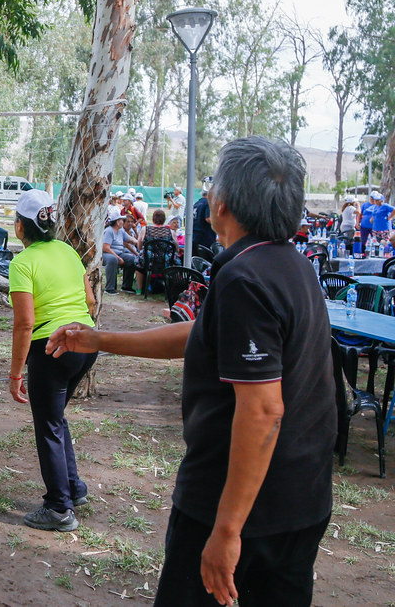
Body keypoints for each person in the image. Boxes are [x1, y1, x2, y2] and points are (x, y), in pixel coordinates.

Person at [48, 136, 335, 607]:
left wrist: (227, 529)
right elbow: (204, 336)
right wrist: (101, 339)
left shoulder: (245, 279)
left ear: (222, 204)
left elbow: (263, 411)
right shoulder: (292, 266)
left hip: (237, 507)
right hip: (301, 500)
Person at [7, 189, 96, 532]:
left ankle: (59, 508)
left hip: (51, 350)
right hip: (85, 342)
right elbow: (89, 300)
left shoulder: (22, 263)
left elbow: (24, 324)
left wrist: (16, 374)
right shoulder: (68, 251)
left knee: (48, 426)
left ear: (20, 227)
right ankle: (74, 488)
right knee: (55, 418)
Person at [136, 209, 176, 292]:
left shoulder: (145, 229)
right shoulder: (170, 232)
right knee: (177, 263)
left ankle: (139, 290)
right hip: (166, 262)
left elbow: (139, 243)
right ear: (164, 219)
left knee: (139, 265)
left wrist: (142, 251)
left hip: (149, 261)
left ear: (153, 218)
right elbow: (176, 246)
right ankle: (171, 289)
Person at [102, 210, 138, 295]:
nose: (123, 222)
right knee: (113, 259)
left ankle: (126, 286)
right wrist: (118, 258)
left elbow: (129, 239)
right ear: (117, 222)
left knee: (132, 259)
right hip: (108, 254)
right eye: (122, 220)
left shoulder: (121, 231)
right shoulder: (109, 231)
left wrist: (138, 242)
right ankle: (109, 288)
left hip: (119, 253)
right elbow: (106, 248)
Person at [192, 180, 217, 250]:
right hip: (205, 237)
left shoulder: (196, 203)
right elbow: (208, 219)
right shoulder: (208, 203)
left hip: (195, 235)